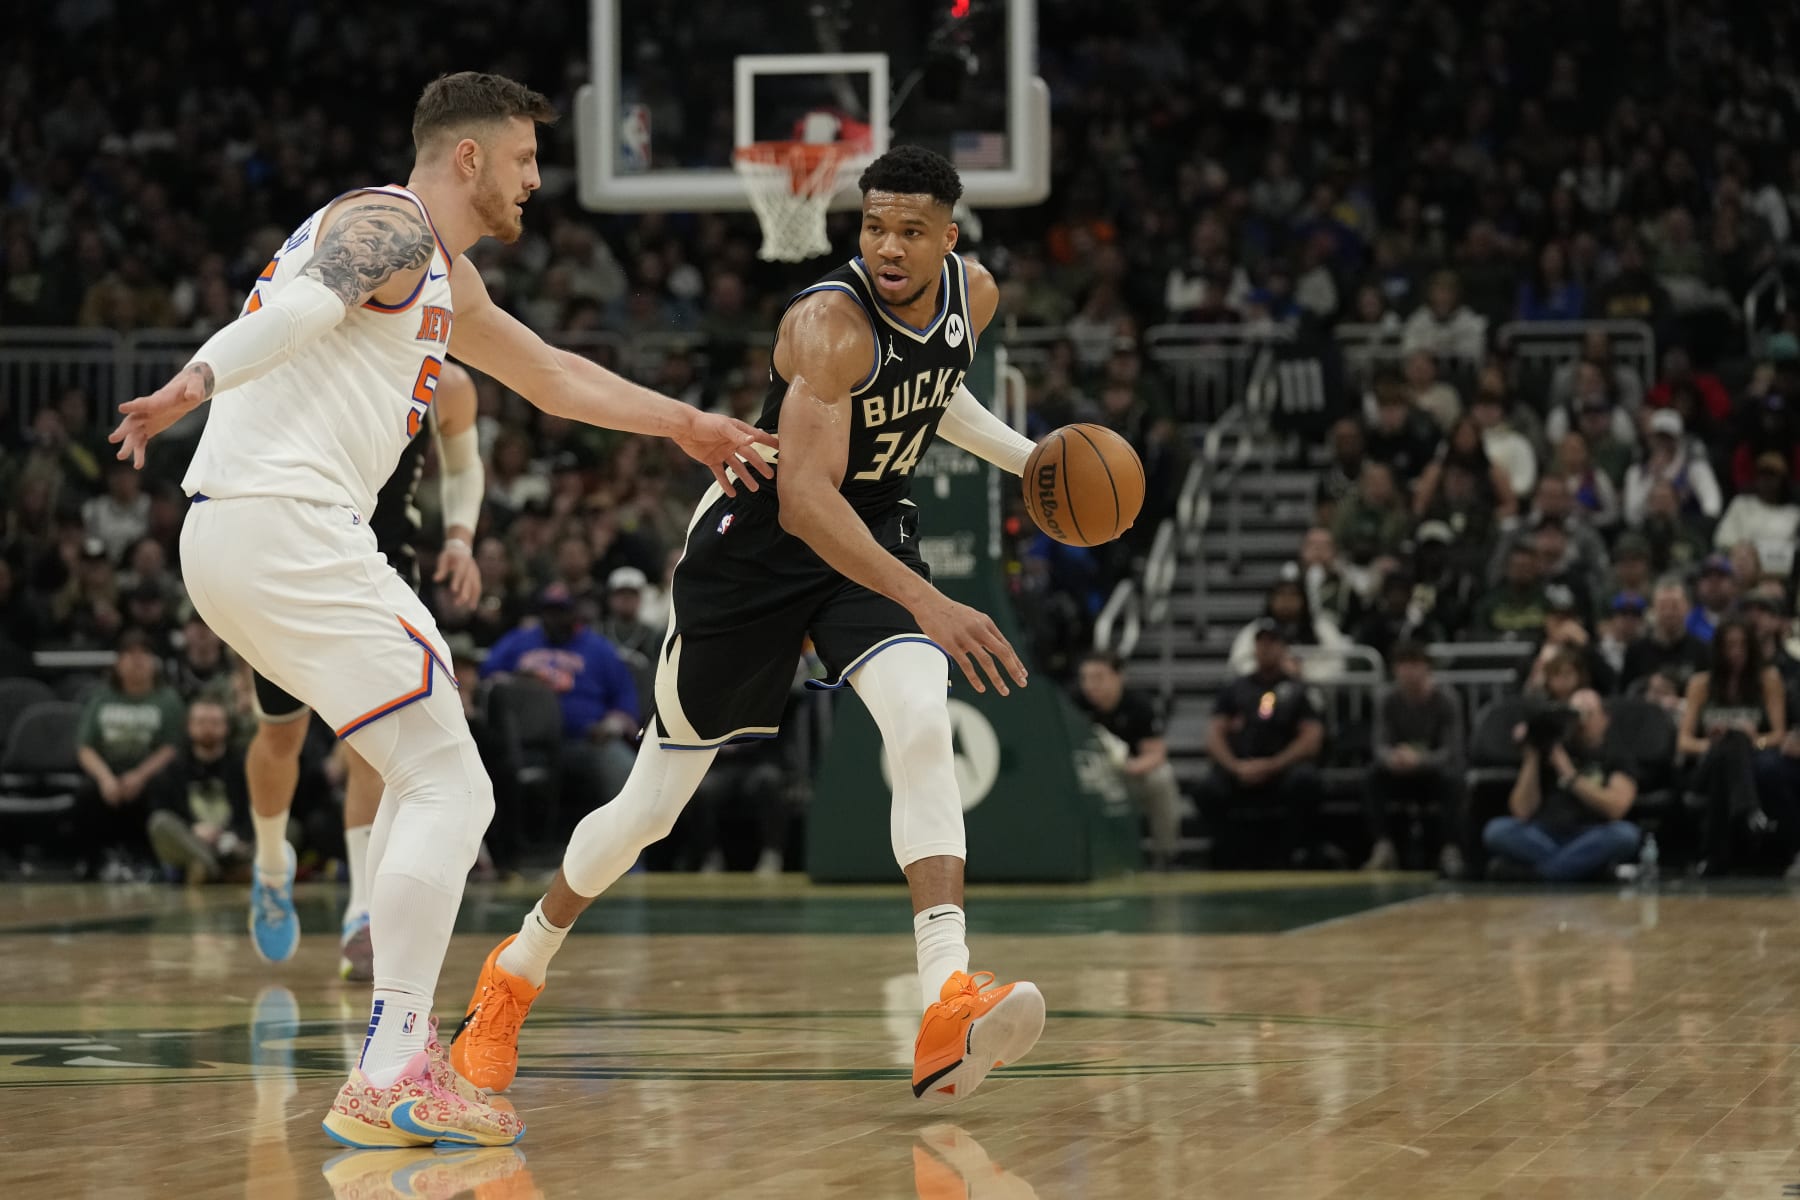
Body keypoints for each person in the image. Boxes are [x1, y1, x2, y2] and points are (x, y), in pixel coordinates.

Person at [110, 72, 774, 1149]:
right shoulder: (389, 225)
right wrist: (195, 378)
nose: (534, 181)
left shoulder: (443, 275)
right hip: (286, 524)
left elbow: (551, 375)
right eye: (523, 160)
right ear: (468, 157)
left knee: (437, 778)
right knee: (449, 783)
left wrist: (687, 424)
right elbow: (302, 308)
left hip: (253, 536)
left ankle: (390, 1058)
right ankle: (391, 1068)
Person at [446, 147, 1043, 1106]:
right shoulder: (827, 324)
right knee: (649, 812)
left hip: (870, 536)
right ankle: (513, 972)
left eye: (910, 231)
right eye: (874, 226)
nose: (889, 247)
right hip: (760, 549)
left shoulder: (975, 295)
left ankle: (948, 997)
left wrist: (1032, 457)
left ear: (949, 238)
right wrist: (931, 599)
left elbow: (939, 392)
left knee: (923, 718)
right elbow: (806, 500)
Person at [234, 358, 483, 979]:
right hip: (294, 557)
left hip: (385, 566)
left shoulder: (447, 385)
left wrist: (459, 538)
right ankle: (271, 866)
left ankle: (363, 912)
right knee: (280, 735)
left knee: (374, 745)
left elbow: (464, 463)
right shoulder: (322, 358)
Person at [480, 583, 640, 829]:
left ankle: (630, 853)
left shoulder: (598, 648)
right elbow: (486, 675)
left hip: (584, 741)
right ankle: (507, 852)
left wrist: (610, 726)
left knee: (625, 770)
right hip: (525, 744)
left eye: (561, 612)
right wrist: (516, 680)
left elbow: (625, 697)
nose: (554, 618)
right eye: (549, 611)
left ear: (575, 613)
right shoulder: (520, 640)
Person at [1196, 619, 1325, 869]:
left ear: (1283, 648)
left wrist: (1273, 764)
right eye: (1261, 643)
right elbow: (1214, 733)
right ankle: (1226, 852)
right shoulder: (1234, 688)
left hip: (1282, 767)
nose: (1266, 648)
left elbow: (1311, 739)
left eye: (1273, 642)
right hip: (1241, 767)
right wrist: (1234, 766)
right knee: (1207, 788)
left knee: (1306, 781)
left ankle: (1293, 850)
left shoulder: (1300, 690)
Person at [1483, 689, 1639, 882]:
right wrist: (1532, 755)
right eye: (1575, 714)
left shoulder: (1616, 755)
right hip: (1543, 833)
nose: (1581, 722)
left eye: (1588, 714)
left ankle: (1541, 875)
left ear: (1605, 719)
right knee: (1497, 830)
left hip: (1590, 834)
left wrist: (1569, 774)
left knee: (1625, 834)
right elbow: (1521, 811)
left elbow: (1616, 808)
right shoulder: (1549, 750)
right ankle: (1584, 870)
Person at [1676, 619, 1789, 877]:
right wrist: (1714, 743)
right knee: (1730, 742)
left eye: (1742, 645)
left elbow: (1778, 735)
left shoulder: (1768, 680)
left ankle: (1713, 856)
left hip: (1743, 764)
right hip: (1705, 763)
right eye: (1729, 646)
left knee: (1735, 742)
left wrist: (1753, 739)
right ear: (1718, 649)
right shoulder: (1700, 684)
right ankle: (1749, 811)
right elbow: (1683, 742)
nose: (1736, 652)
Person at [74, 628, 186, 877]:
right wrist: (105, 779)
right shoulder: (102, 697)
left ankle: (151, 858)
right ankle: (93, 860)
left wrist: (139, 776)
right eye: (129, 654)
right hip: (110, 771)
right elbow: (85, 747)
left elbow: (171, 748)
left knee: (161, 787)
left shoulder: (167, 700)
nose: (137, 660)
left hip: (149, 773)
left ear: (154, 663)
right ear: (117, 663)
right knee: (86, 793)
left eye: (144, 654)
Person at [1363, 642, 1466, 876]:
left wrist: (1420, 760)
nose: (1409, 672)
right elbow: (1379, 745)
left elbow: (1452, 750)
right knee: (1372, 777)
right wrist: (1392, 758)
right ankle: (1383, 845)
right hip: (1398, 770)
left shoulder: (1446, 699)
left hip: (1433, 772)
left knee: (1453, 780)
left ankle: (1450, 848)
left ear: (1427, 668)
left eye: (1415, 665)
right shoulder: (1387, 699)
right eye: (1403, 665)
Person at [1076, 651, 1182, 870]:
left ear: (1118, 676)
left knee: (1161, 778)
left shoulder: (1138, 705)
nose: (1090, 685)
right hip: (1088, 776)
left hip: (1127, 773)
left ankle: (1166, 854)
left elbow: (1156, 753)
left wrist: (1130, 766)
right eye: (1085, 678)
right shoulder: (1074, 704)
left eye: (1098, 677)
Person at [145, 696, 252, 883]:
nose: (208, 728)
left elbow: (253, 808)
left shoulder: (243, 764)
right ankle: (218, 870)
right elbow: (163, 809)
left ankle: (212, 869)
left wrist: (235, 835)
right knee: (159, 823)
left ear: (227, 727)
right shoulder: (173, 768)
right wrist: (193, 829)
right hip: (193, 841)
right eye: (201, 722)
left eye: (215, 722)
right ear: (189, 727)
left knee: (287, 826)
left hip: (235, 842)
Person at [1620, 579, 1710, 692]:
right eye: (1663, 606)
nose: (1669, 612)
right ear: (1652, 610)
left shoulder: (1702, 650)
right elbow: (1625, 696)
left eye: (1675, 606)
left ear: (1688, 608)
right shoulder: (1635, 651)